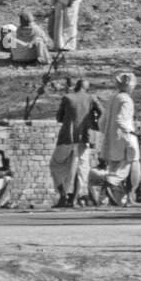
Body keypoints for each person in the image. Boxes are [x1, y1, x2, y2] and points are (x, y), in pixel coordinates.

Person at [87, 72, 141, 207]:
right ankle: (121, 193)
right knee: (126, 168)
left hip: (112, 140)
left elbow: (102, 121)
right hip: (125, 138)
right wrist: (133, 133)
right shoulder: (126, 100)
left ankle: (106, 199)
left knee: (114, 167)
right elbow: (121, 120)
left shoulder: (113, 98)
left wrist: (108, 135)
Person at [50, 78, 100, 207]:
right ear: (86, 88)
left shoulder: (67, 98)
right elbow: (103, 113)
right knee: (81, 169)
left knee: (56, 165)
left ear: (76, 87)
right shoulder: (91, 98)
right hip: (84, 138)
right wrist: (92, 123)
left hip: (67, 137)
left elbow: (59, 117)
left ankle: (62, 196)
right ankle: (74, 199)